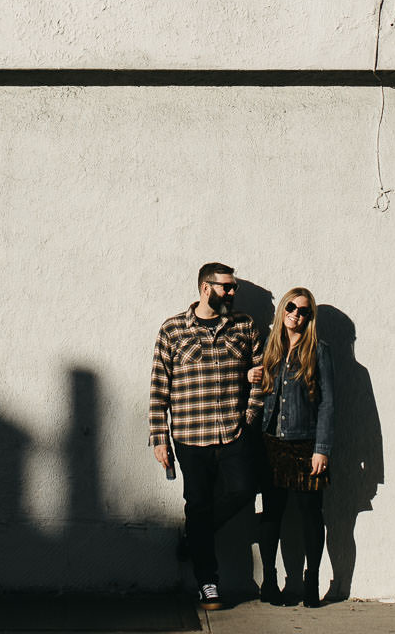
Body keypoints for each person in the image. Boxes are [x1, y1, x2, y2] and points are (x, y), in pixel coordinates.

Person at [150, 262, 264, 612]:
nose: (232, 293)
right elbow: (159, 386)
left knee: (243, 491)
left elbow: (260, 378)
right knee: (196, 504)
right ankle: (207, 582)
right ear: (205, 288)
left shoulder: (244, 326)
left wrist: (248, 416)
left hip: (233, 431)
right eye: (226, 287)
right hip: (189, 435)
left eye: (234, 288)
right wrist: (159, 437)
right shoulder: (172, 330)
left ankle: (194, 535)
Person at [254, 286, 335, 607]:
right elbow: (260, 392)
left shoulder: (319, 351)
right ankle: (270, 581)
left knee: (310, 514)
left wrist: (322, 448)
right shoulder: (269, 347)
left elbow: (328, 403)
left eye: (304, 311)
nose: (296, 315)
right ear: (282, 310)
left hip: (305, 444)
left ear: (310, 317)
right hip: (271, 442)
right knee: (271, 513)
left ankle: (311, 580)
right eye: (291, 307)